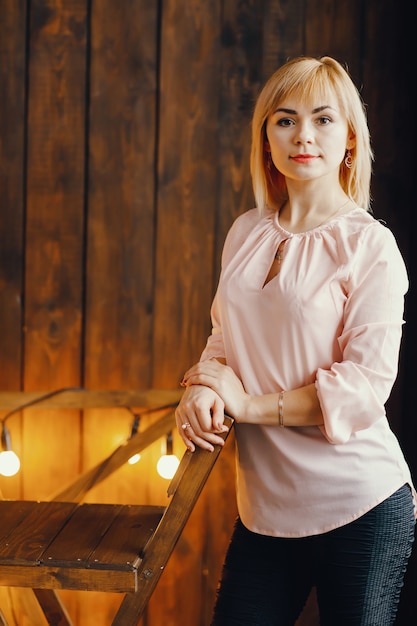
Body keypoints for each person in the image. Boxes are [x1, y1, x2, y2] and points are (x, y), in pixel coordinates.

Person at [175, 56, 416, 626]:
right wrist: (202, 389)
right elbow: (223, 340)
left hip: (362, 505)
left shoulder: (369, 246)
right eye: (285, 120)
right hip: (266, 513)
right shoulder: (246, 231)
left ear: (349, 140)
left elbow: (363, 389)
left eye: (323, 119)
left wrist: (248, 406)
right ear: (266, 137)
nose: (303, 135)